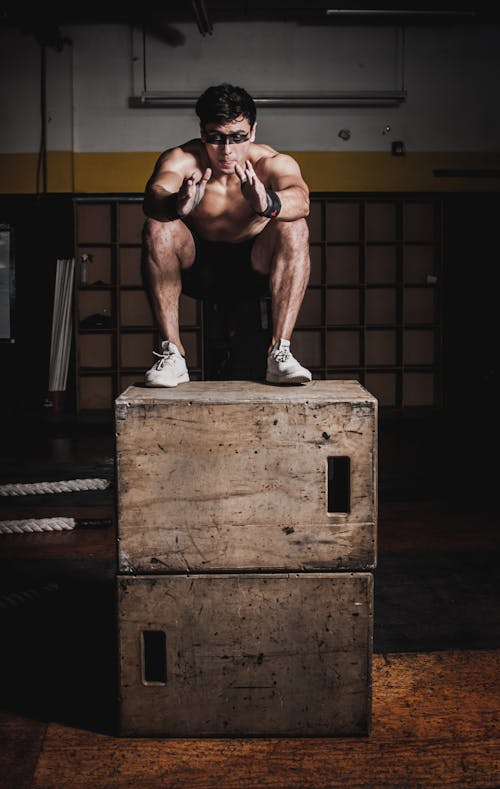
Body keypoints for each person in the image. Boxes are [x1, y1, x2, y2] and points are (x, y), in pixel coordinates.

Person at [142, 83, 312, 387]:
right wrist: (175, 204)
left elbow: (302, 199)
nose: (227, 150)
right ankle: (173, 354)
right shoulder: (183, 160)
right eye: (216, 138)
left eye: (237, 138)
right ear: (202, 131)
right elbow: (154, 196)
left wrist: (267, 203)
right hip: (198, 267)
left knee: (295, 225)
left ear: (253, 131)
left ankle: (280, 353)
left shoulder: (271, 163)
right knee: (158, 225)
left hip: (253, 266)